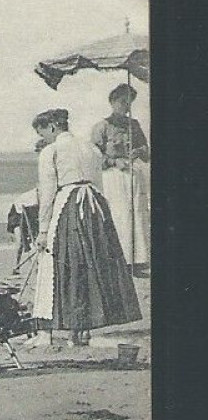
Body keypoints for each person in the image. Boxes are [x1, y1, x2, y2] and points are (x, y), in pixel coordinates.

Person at [31, 108, 141, 346]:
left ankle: (52, 332)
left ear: (51, 127)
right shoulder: (91, 148)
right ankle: (84, 332)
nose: (44, 139)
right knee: (93, 265)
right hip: (95, 206)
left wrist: (42, 231)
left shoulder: (51, 151)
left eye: (43, 133)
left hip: (68, 206)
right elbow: (99, 184)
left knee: (61, 265)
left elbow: (48, 193)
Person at [90, 83, 150, 273]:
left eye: (129, 102)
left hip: (133, 173)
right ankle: (119, 259)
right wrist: (115, 162)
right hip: (113, 177)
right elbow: (95, 156)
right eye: (122, 101)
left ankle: (137, 259)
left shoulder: (134, 125)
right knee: (119, 214)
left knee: (137, 213)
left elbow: (147, 152)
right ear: (112, 101)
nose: (126, 106)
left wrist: (139, 150)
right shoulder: (102, 127)